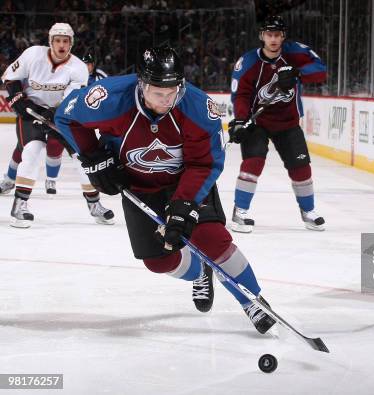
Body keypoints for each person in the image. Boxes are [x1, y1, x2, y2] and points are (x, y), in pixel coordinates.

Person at [54, 45, 276, 334]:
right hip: (137, 186)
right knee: (159, 262)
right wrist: (94, 156)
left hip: (184, 180)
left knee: (212, 238)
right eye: (158, 93)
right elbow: (66, 117)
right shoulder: (109, 98)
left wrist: (184, 206)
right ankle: (200, 271)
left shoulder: (198, 108)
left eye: (172, 91)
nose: (167, 100)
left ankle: (252, 301)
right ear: (142, 84)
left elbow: (205, 163)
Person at [1, 22, 114, 228]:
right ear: (50, 41)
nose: (61, 45)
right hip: (31, 113)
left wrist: (52, 115)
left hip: (62, 117)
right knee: (33, 150)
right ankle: (20, 205)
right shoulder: (33, 54)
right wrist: (18, 100)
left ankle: (94, 204)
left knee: (82, 158)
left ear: (71, 44)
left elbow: (69, 100)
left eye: (66, 41)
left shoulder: (78, 67)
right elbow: (10, 77)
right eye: (58, 40)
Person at [228, 15, 327, 233]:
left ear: (283, 37)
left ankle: (308, 212)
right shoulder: (248, 63)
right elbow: (241, 95)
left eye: (277, 35)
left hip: (288, 122)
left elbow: (321, 70)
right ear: (262, 36)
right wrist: (240, 120)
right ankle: (240, 212)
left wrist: (298, 72)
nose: (273, 39)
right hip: (258, 122)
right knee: (253, 163)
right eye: (269, 35)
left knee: (301, 167)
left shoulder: (295, 53)